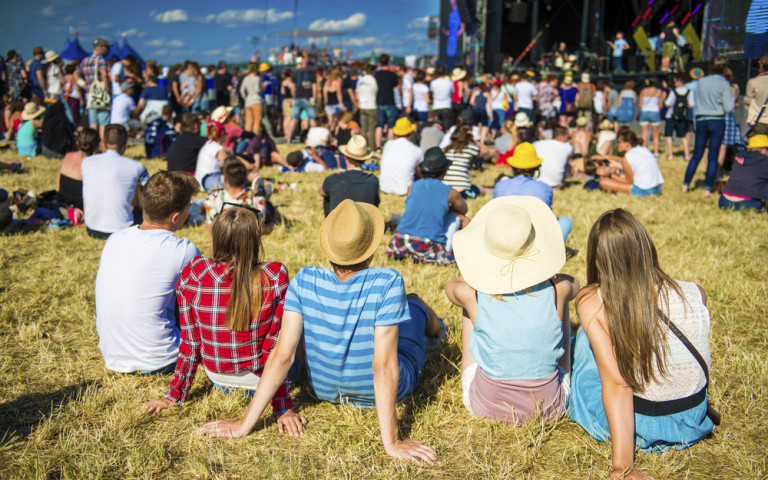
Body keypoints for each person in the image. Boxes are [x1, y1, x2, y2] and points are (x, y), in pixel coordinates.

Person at [194, 199, 443, 467]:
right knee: (415, 305)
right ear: (370, 251)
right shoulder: (388, 282)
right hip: (388, 389)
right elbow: (383, 366)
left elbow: (281, 355)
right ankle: (437, 330)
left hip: (323, 388)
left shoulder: (304, 279)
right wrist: (391, 441)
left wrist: (246, 423)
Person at [569, 209, 715, 480]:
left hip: (642, 426)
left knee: (588, 347)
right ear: (646, 246)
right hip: (693, 419)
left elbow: (619, 384)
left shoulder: (592, 300)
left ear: (598, 257)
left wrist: (622, 467)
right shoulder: (696, 292)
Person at [142, 206, 302, 434]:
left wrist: (174, 396)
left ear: (217, 236)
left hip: (219, 380)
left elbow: (190, 344)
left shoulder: (194, 274)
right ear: (255, 240)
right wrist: (282, 407)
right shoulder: (274, 276)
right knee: (297, 329)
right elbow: (274, 348)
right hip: (262, 382)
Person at [446, 196, 578, 425]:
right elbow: (573, 283)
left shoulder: (473, 294)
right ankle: (563, 368)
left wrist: (476, 276)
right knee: (561, 299)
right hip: (551, 405)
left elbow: (451, 289)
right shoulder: (559, 288)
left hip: (485, 404)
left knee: (469, 306)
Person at [96, 171, 200, 374]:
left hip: (112, 355)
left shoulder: (115, 238)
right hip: (163, 358)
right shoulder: (183, 250)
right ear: (176, 217)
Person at [387, 147, 468, 265]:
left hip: (400, 243)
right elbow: (464, 209)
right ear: (445, 171)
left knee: (397, 215)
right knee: (460, 217)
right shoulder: (451, 193)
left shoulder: (412, 187)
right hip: (430, 247)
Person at [493, 142, 573, 241]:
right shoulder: (545, 188)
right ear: (536, 168)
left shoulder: (500, 185)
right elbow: (547, 219)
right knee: (566, 221)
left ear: (513, 167)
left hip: (503, 238)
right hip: (534, 241)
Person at [81, 124, 149, 239]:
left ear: (103, 143)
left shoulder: (86, 162)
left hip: (92, 228)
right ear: (125, 145)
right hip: (124, 230)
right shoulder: (136, 167)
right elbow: (152, 193)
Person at [683, 56, 735, 196]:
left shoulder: (701, 82)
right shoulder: (724, 83)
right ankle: (707, 189)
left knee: (697, 155)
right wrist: (734, 95)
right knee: (713, 156)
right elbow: (728, 108)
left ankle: (685, 186)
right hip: (717, 120)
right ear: (724, 68)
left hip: (701, 119)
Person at [203, 156, 268, 233]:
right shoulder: (257, 198)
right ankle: (263, 192)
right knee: (268, 208)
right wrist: (271, 225)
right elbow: (261, 229)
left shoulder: (212, 197)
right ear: (245, 178)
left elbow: (209, 228)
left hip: (222, 232)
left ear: (224, 179)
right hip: (247, 228)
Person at [320, 135, 379, 216]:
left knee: (327, 196)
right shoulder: (373, 181)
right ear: (364, 159)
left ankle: (328, 223)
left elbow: (323, 192)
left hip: (337, 225)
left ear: (344, 157)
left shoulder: (332, 179)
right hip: (364, 226)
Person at [595, 128, 664, 196]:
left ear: (627, 144)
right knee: (621, 176)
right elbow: (622, 160)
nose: (617, 144)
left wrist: (609, 175)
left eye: (619, 142)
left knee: (603, 182)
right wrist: (607, 158)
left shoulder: (627, 157)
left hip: (644, 191)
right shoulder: (643, 149)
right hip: (658, 188)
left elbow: (629, 181)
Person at [718, 134, 768, 211]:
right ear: (763, 149)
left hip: (724, 200)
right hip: (747, 203)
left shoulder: (739, 156)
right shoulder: (764, 161)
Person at [443, 124, 491, 198]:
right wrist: (472, 140)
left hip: (446, 189)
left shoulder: (447, 149)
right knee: (482, 189)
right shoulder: (470, 148)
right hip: (462, 189)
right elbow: (485, 150)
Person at [379, 117, 423, 195]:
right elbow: (420, 174)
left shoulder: (388, 144)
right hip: (405, 190)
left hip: (384, 187)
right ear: (411, 132)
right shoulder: (417, 150)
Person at [57, 127, 99, 210]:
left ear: (77, 142)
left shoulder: (68, 156)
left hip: (62, 200)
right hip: (81, 205)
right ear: (97, 146)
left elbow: (58, 183)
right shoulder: (94, 163)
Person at [80, 38, 112, 138]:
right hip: (101, 96)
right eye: (106, 48)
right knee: (103, 124)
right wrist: (107, 90)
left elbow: (76, 75)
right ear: (100, 48)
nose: (108, 50)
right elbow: (104, 75)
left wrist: (86, 86)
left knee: (93, 124)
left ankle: (92, 146)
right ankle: (103, 146)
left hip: (90, 96)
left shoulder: (85, 60)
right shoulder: (100, 59)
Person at [664, 75, 695, 162]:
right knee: (683, 136)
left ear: (679, 82)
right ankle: (687, 155)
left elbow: (667, 103)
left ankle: (670, 155)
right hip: (682, 117)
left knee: (669, 136)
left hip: (671, 116)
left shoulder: (673, 92)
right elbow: (692, 105)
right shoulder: (689, 92)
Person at [375, 54, 400, 149]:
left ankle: (378, 147)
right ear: (388, 61)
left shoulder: (377, 74)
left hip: (380, 100)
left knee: (379, 125)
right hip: (390, 100)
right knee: (391, 126)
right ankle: (389, 147)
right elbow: (397, 87)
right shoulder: (392, 75)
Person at [638, 78, 665, 157]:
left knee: (644, 133)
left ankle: (643, 151)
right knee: (656, 134)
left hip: (645, 112)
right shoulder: (659, 92)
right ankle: (656, 152)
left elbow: (640, 104)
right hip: (655, 112)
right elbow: (660, 105)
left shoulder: (643, 91)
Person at [292, 54, 318, 135]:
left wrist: (294, 97)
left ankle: (288, 137)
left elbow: (293, 87)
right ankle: (314, 136)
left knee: (295, 119)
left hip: (298, 98)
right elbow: (314, 87)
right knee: (311, 118)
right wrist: (314, 98)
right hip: (308, 98)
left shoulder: (295, 73)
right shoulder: (311, 73)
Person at [745, 53, 768, 137]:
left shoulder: (753, 82)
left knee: (757, 147)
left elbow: (747, 100)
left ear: (761, 65)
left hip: (759, 120)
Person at [356, 64, 378, 150]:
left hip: (362, 105)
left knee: (363, 129)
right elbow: (376, 92)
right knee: (372, 129)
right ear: (373, 71)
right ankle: (372, 148)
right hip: (371, 105)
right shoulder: (373, 80)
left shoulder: (360, 80)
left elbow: (357, 93)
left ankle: (362, 148)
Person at [430, 65, 455, 131]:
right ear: (445, 72)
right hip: (447, 106)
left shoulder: (433, 83)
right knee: (447, 129)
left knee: (437, 128)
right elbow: (452, 94)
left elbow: (433, 94)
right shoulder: (449, 82)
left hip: (437, 106)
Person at [280, 69, 297, 142]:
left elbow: (282, 92)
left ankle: (286, 134)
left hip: (285, 100)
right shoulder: (291, 83)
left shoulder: (283, 82)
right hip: (291, 100)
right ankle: (290, 134)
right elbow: (293, 92)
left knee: (286, 118)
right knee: (290, 117)